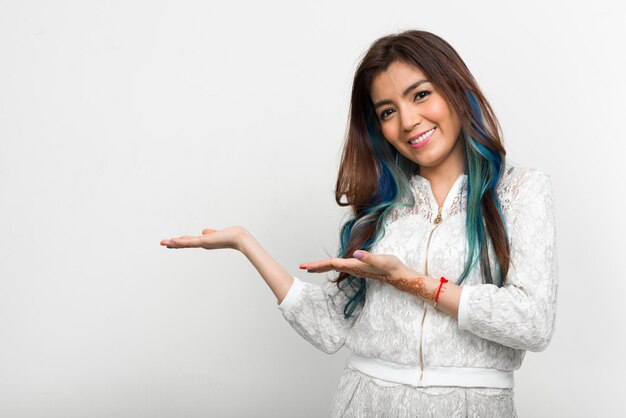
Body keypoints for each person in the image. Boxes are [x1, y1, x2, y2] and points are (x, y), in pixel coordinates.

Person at [160, 30, 558, 417]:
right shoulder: (382, 210)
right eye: (387, 111)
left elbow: (533, 322)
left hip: (474, 407)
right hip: (366, 401)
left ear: (455, 90)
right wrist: (246, 243)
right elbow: (330, 327)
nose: (407, 121)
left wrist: (411, 281)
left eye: (421, 95)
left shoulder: (519, 191)